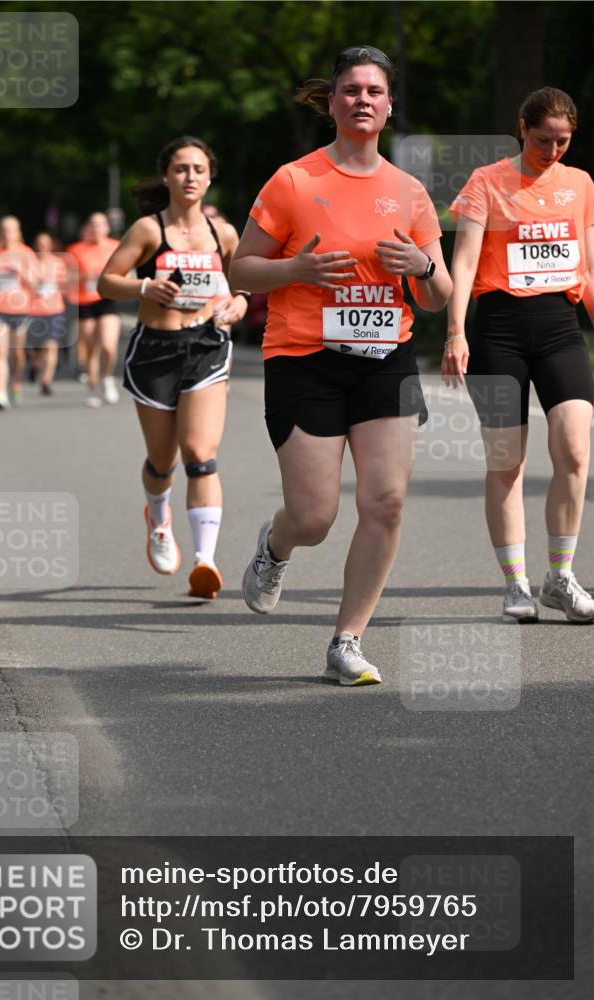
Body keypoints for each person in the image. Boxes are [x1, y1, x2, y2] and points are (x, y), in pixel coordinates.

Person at [230, 45, 452, 685]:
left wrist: (425, 268)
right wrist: (296, 268)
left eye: (373, 91)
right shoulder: (294, 181)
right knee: (316, 515)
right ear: (331, 103)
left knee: (385, 502)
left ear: (389, 107)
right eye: (350, 89)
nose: (362, 99)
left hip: (387, 356)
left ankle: (346, 641)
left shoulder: (408, 191)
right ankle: (276, 547)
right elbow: (239, 268)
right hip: (305, 358)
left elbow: (436, 298)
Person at [443, 86, 594, 624]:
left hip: (559, 327)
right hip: (499, 330)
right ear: (522, 128)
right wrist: (455, 332)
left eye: (563, 141)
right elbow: (462, 264)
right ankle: (516, 584)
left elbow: (588, 266)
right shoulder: (488, 181)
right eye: (543, 139)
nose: (552, 151)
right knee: (507, 463)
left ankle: (561, 576)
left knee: (576, 453)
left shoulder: (580, 184)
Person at [97, 136, 249, 598]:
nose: (190, 177)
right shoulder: (148, 229)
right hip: (155, 350)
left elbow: (244, 285)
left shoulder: (222, 234)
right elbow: (106, 281)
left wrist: (239, 304)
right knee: (162, 463)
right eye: (181, 169)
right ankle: (158, 517)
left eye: (198, 169)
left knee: (200, 455)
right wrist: (144, 287)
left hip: (205, 344)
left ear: (209, 177)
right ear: (167, 176)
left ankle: (205, 562)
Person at [0, 216, 36, 410]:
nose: (7, 234)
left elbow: (37, 283)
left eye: (11, 230)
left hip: (20, 309)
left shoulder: (26, 253)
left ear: (18, 232)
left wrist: (20, 270)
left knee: (17, 353)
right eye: (4, 230)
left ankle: (16, 380)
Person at [67, 213, 120, 407]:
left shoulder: (115, 246)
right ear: (88, 228)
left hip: (107, 299)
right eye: (93, 224)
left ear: (107, 228)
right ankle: (92, 387)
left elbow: (126, 270)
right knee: (90, 347)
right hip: (85, 301)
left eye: (101, 224)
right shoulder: (76, 249)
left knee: (108, 344)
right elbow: (68, 278)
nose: (97, 228)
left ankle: (107, 378)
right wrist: (83, 276)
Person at [26, 233, 69, 395]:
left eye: (45, 244)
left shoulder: (58, 263)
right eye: (39, 243)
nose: (42, 247)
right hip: (33, 310)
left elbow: (64, 284)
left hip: (54, 309)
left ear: (51, 245)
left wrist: (59, 286)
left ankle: (46, 380)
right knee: (36, 348)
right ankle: (35, 364)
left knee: (51, 345)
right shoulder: (30, 263)